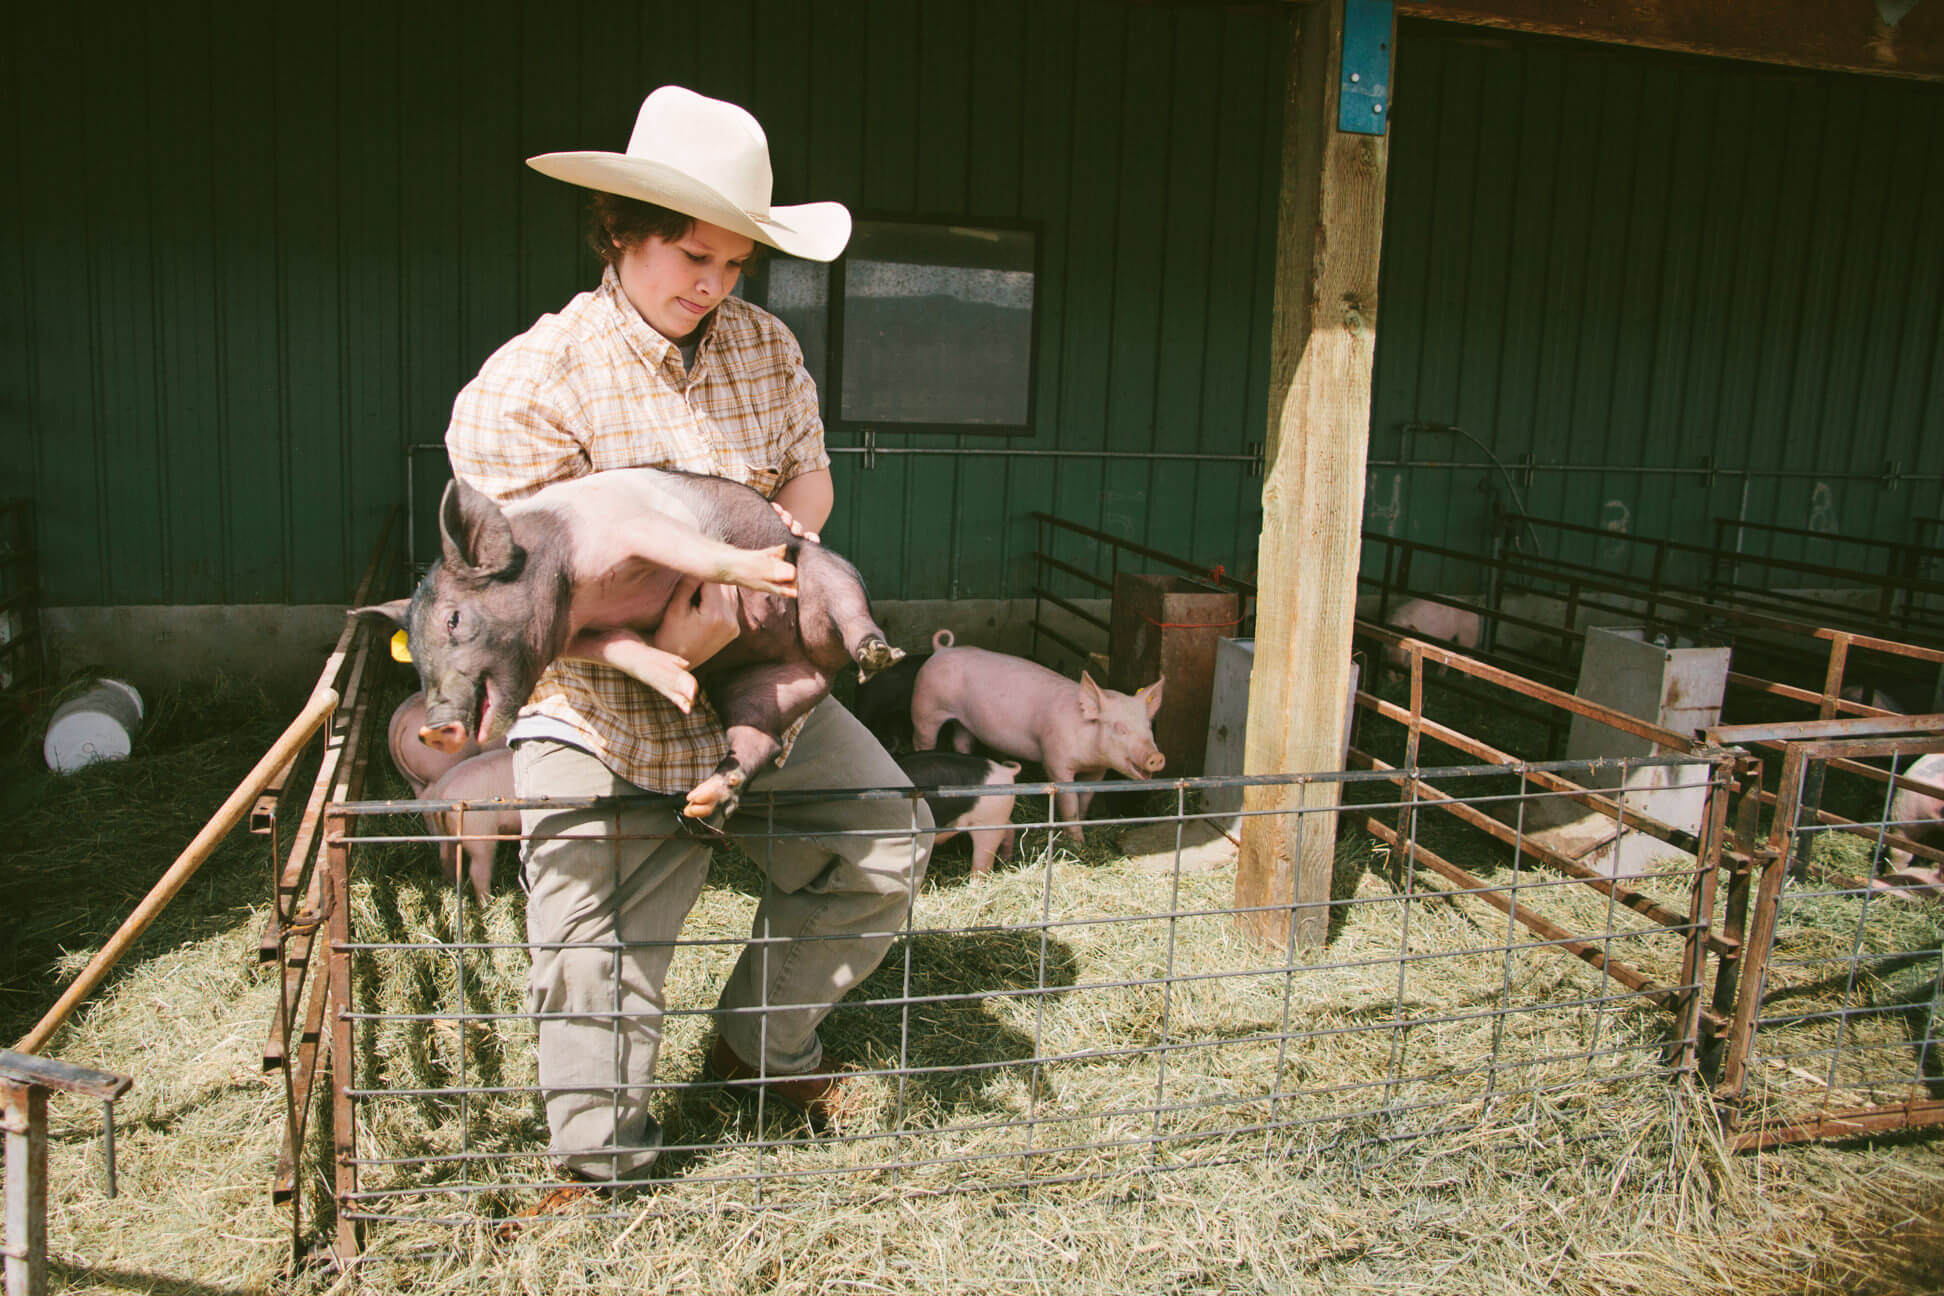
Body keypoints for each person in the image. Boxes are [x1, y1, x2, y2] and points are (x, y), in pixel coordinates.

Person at [445, 85, 933, 1184]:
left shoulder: (761, 346)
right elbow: (516, 604)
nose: (711, 285)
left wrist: (778, 573)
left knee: (886, 844)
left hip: (754, 656)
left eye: (733, 264)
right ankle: (602, 1167)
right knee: (592, 953)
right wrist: (659, 644)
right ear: (619, 228)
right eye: (688, 254)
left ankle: (758, 1051)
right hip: (598, 700)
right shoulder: (531, 382)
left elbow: (805, 471)